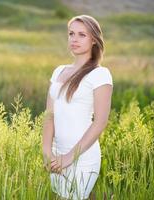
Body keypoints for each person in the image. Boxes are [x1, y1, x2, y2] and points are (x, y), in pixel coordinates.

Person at [42, 15, 113, 200]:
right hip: (56, 155)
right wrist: (47, 151)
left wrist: (69, 157)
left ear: (94, 41)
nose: (74, 39)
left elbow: (100, 122)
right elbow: (49, 114)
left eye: (82, 35)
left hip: (82, 157)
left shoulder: (100, 74)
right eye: (71, 33)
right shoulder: (59, 71)